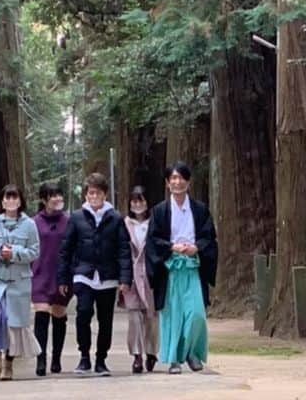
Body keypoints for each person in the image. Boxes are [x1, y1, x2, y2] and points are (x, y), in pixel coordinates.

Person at [56, 171, 132, 376]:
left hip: (108, 276)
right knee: (83, 314)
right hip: (83, 274)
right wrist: (63, 278)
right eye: (90, 193)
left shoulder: (115, 218)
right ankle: (84, 357)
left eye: (97, 193)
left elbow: (123, 249)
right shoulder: (77, 217)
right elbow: (66, 249)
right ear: (86, 195)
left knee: (106, 319)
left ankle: (101, 359)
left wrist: (125, 279)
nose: (94, 197)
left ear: (104, 194)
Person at [146, 161, 218, 374]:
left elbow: (209, 237)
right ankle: (174, 358)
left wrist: (197, 248)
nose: (177, 182)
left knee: (196, 313)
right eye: (173, 178)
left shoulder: (200, 209)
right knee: (172, 314)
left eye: (181, 178)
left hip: (193, 268)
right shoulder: (159, 211)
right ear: (168, 183)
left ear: (188, 181)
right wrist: (172, 247)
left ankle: (193, 353)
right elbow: (153, 240)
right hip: (170, 269)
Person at [0, 185, 40, 381]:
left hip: (18, 283)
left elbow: (34, 252)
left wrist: (15, 253)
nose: (11, 201)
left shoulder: (29, 224)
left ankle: (9, 364)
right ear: (2, 201)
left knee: (13, 324)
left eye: (15, 198)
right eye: (7, 198)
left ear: (20, 201)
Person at [30, 181, 70, 376]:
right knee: (42, 313)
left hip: (61, 275)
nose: (57, 199)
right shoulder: (34, 222)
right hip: (39, 273)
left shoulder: (69, 220)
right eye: (52, 196)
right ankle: (41, 358)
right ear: (44, 199)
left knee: (59, 314)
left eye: (59, 195)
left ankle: (56, 358)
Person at [121, 186, 159, 374]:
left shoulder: (155, 222)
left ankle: (151, 352)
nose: (137, 205)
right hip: (131, 276)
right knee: (134, 317)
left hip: (150, 274)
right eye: (134, 201)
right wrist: (123, 278)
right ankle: (136, 355)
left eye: (141, 201)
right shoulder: (125, 223)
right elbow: (120, 251)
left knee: (151, 316)